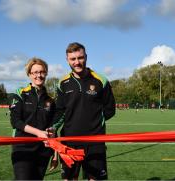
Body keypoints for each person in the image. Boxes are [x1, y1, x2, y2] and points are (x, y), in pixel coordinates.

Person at [51, 42, 116, 180]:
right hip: (69, 141)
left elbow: (110, 109)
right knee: (69, 179)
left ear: (86, 57)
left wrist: (95, 124)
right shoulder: (63, 83)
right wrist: (52, 126)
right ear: (67, 60)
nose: (77, 62)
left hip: (95, 141)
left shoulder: (101, 81)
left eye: (80, 58)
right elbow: (60, 111)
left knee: (95, 179)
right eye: (73, 59)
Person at [9, 57, 56, 180]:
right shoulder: (20, 93)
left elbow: (52, 129)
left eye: (42, 72)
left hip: (43, 151)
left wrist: (55, 153)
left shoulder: (50, 100)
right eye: (35, 72)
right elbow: (15, 122)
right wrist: (38, 132)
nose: (39, 75)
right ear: (29, 74)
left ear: (46, 73)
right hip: (22, 148)